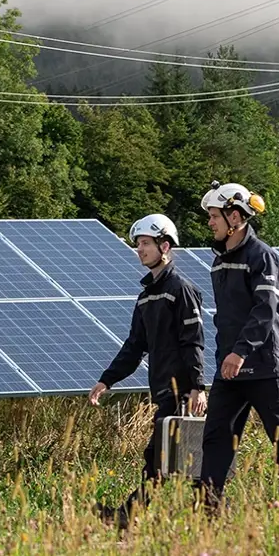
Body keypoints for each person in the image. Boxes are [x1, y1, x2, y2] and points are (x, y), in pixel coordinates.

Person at [89, 213, 207, 528]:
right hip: (163, 389)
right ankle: (202, 517)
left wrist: (197, 386)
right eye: (138, 244)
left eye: (145, 243)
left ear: (165, 246)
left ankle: (132, 516)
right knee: (168, 458)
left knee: (173, 457)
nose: (139, 250)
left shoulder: (181, 288)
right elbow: (134, 346)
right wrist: (107, 379)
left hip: (182, 390)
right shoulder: (146, 297)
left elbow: (193, 340)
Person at [197, 181, 279, 508]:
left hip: (262, 366)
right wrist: (225, 358)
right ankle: (209, 510)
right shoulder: (218, 261)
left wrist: (240, 352)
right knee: (216, 440)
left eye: (214, 215)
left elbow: (264, 310)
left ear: (235, 216)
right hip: (228, 370)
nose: (210, 222)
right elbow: (225, 319)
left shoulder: (263, 257)